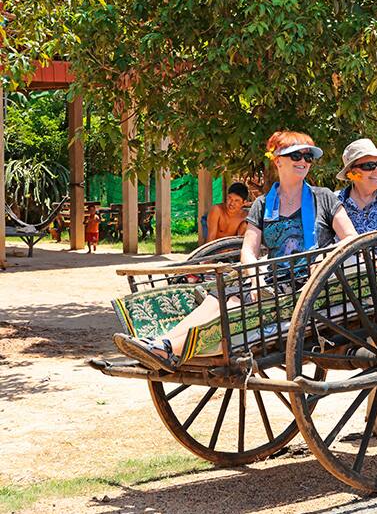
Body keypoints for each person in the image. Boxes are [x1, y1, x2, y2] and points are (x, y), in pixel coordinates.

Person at [113, 130, 358, 371]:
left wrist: (326, 257)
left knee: (232, 302)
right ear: (278, 160)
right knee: (217, 295)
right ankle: (162, 343)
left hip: (308, 283)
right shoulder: (263, 204)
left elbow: (350, 238)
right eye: (297, 156)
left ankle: (169, 349)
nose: (304, 162)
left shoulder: (323, 198)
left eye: (308, 157)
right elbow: (248, 250)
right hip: (270, 277)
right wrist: (256, 277)